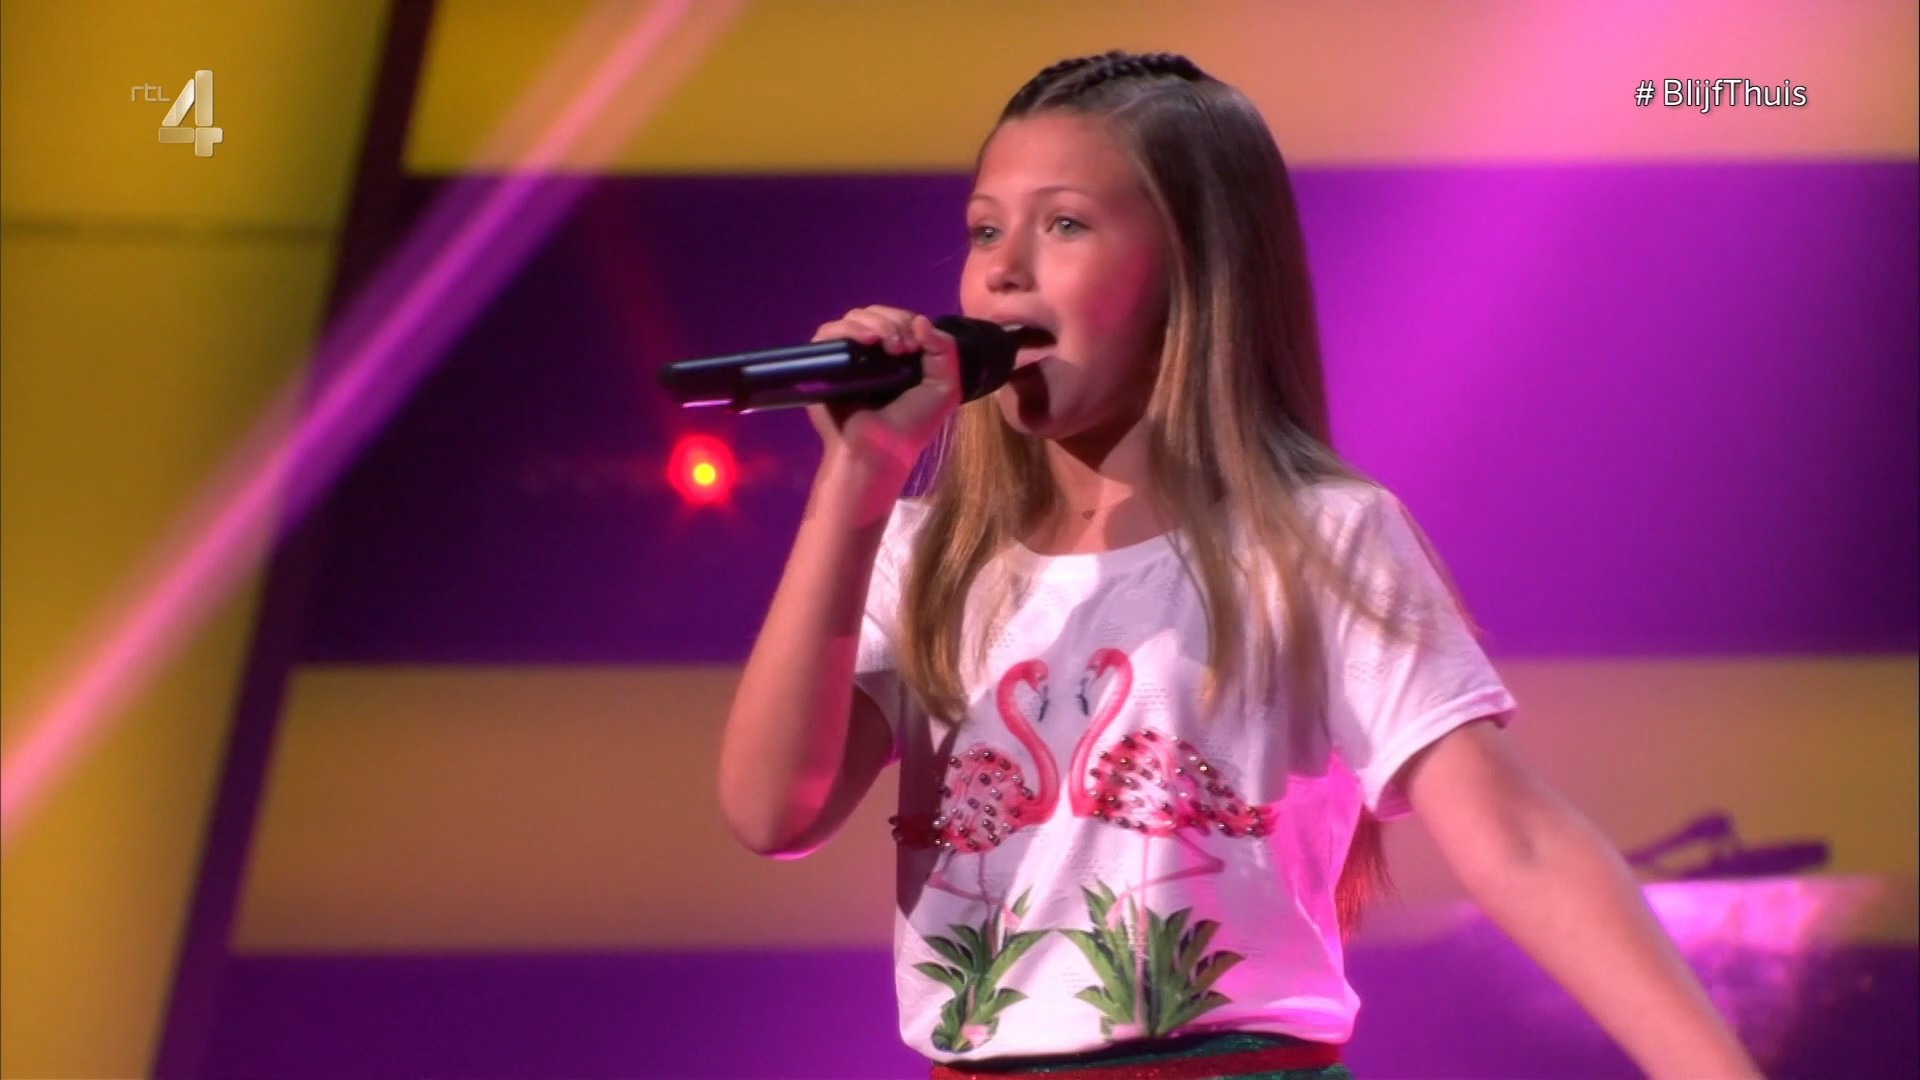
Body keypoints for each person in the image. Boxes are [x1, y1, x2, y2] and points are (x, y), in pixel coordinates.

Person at [716, 50, 1759, 1080]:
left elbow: (1517, 839)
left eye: (1065, 224)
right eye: (985, 229)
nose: (1003, 268)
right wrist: (855, 486)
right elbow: (773, 810)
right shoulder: (926, 555)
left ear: (1193, 271)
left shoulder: (1313, 541)